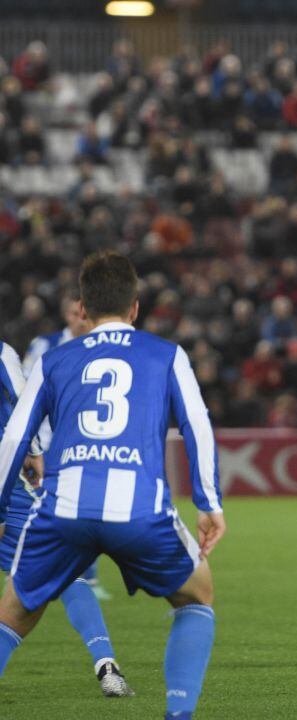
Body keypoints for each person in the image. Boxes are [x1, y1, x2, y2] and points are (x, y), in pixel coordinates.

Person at [0, 252, 226, 720]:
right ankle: (178, 716)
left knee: (13, 615)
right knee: (196, 596)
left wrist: (1, 513)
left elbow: (15, 438)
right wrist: (209, 503)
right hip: (139, 512)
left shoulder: (53, 360)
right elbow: (197, 425)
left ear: (81, 308)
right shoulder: (166, 355)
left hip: (62, 510)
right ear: (136, 308)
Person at [1, 339, 132, 696]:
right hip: (6, 485)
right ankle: (106, 664)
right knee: (66, 571)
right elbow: (21, 402)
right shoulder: (3, 353)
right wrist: (33, 451)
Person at [21, 294, 113, 601]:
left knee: (89, 507)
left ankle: (88, 578)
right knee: (44, 512)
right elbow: (24, 390)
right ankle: (39, 574)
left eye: (82, 314)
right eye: (73, 314)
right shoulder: (44, 346)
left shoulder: (102, 348)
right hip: (45, 445)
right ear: (66, 315)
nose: (79, 320)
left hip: (84, 445)